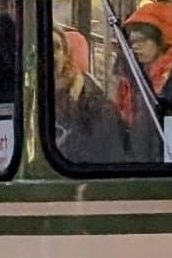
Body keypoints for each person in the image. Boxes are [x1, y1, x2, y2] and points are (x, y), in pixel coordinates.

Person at [51, 30, 128, 163]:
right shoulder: (27, 101)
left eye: (56, 47)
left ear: (66, 56)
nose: (51, 56)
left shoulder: (98, 106)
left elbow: (108, 158)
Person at [113, 0, 172, 126]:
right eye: (132, 42)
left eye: (143, 40)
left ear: (161, 40)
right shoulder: (129, 77)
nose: (136, 47)